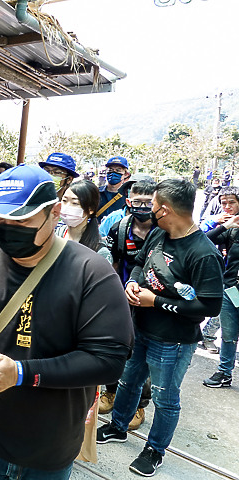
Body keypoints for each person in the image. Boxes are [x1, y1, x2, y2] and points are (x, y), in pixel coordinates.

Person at [0, 164, 133, 480]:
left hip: (48, 453)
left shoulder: (92, 274)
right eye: (0, 219)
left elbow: (108, 361)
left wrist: (20, 373)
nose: (9, 227)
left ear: (54, 212)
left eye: (22, 219)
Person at [97, 179, 224, 477]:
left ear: (165, 210)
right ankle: (118, 426)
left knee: (165, 396)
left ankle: (154, 450)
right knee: (129, 381)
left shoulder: (203, 254)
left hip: (173, 341)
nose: (148, 210)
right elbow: (140, 263)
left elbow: (210, 307)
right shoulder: (159, 235)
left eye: (152, 206)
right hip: (141, 330)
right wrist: (132, 282)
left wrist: (155, 301)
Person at [102, 179, 158, 430]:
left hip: (151, 303)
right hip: (120, 299)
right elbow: (112, 264)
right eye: (138, 202)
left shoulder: (163, 230)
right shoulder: (119, 228)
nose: (143, 207)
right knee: (115, 347)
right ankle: (112, 391)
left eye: (149, 202)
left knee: (141, 354)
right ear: (129, 202)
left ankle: (139, 404)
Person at [198, 187, 239, 354]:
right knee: (226, 314)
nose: (227, 206)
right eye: (224, 203)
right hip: (231, 281)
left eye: (232, 203)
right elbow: (203, 239)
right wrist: (222, 224)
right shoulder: (226, 224)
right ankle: (208, 336)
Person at [55, 180, 112, 263]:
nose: (66, 207)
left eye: (74, 203)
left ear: (90, 209)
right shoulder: (56, 235)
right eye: (64, 201)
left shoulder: (100, 252)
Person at [97, 156, 131, 223]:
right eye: (110, 170)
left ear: (126, 174)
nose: (113, 173)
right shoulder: (96, 193)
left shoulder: (128, 196)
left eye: (118, 170)